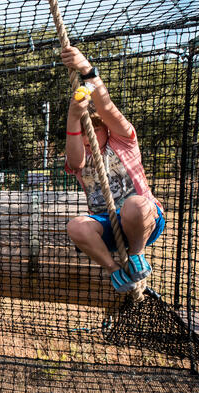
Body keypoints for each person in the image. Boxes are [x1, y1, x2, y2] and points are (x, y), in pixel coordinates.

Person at [62, 46, 166, 293]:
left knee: (135, 205)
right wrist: (73, 116)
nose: (89, 136)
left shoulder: (124, 141)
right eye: (85, 132)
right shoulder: (83, 153)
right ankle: (114, 270)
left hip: (143, 221)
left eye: (94, 130)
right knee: (75, 226)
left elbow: (106, 108)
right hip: (108, 225)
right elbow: (75, 163)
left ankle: (136, 254)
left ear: (106, 130)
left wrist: (86, 69)